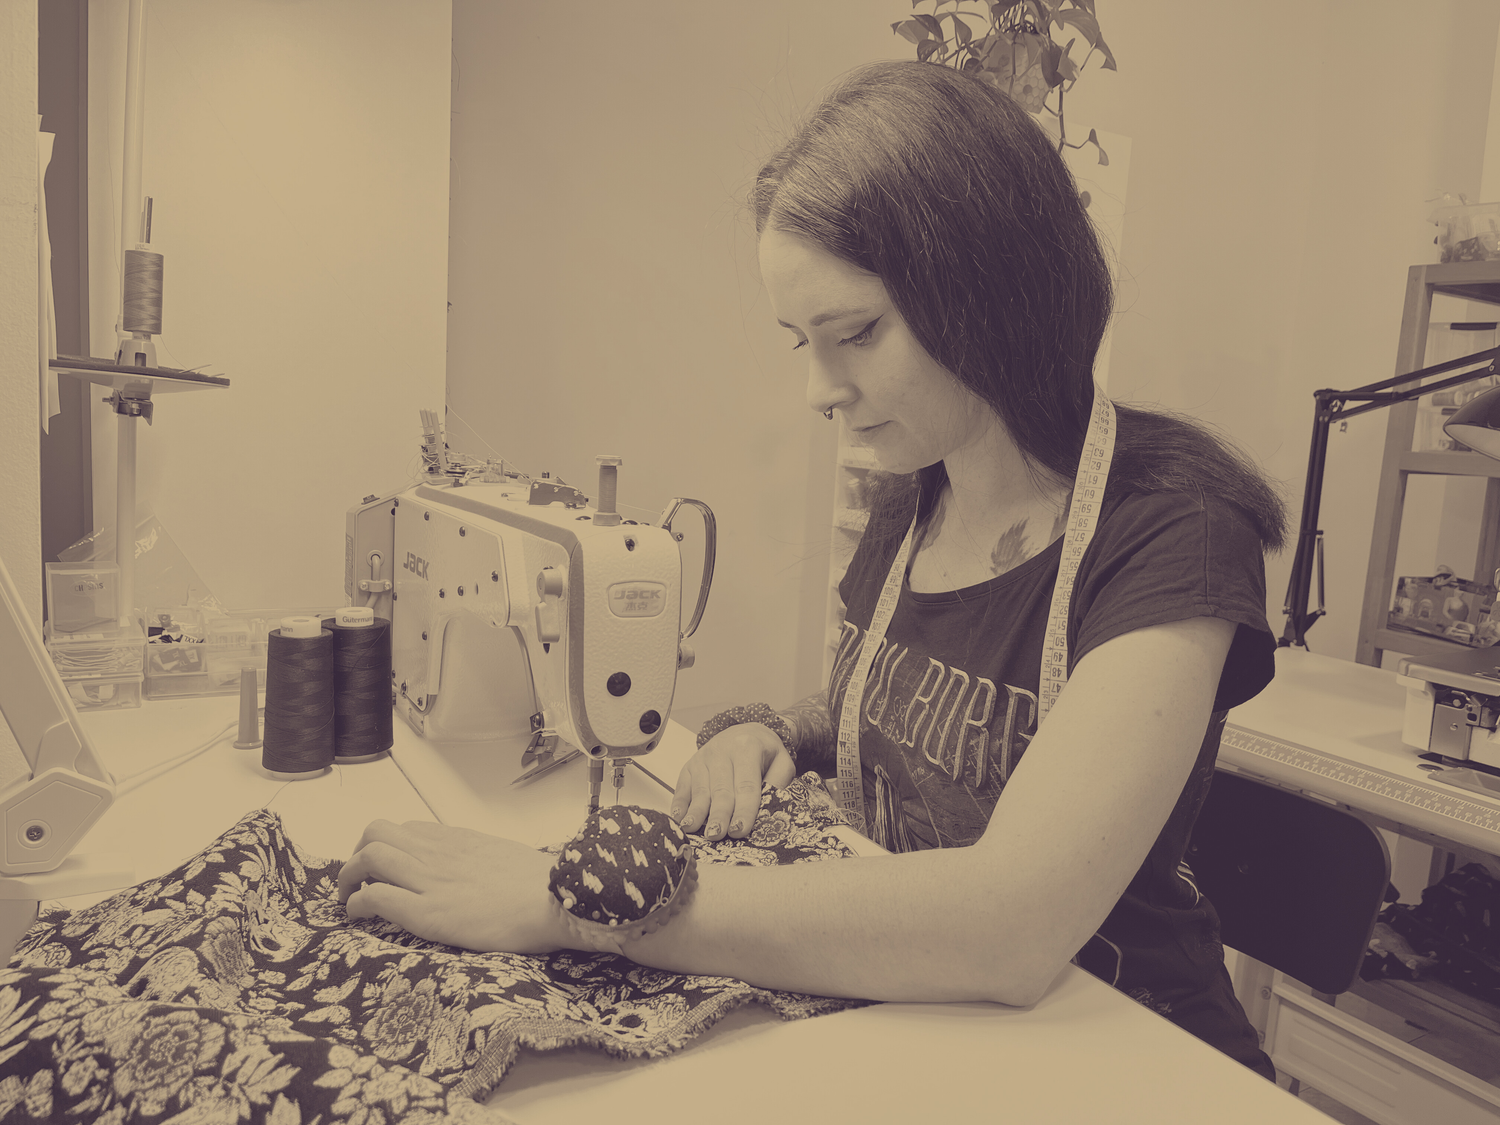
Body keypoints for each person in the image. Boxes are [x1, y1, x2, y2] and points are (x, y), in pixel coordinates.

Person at [338, 59, 1286, 1081]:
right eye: (800, 341)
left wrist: (575, 896)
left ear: (990, 291)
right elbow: (900, 720)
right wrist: (769, 733)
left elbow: (1009, 923)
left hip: (1134, 1055)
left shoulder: (1170, 532)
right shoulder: (914, 503)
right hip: (940, 1025)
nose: (816, 390)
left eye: (856, 335)